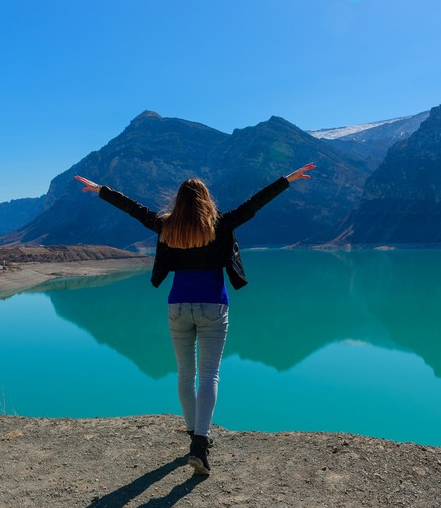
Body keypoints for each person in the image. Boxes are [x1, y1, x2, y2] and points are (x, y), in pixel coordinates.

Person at [76, 162, 315, 475]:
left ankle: (193, 435)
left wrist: (100, 191)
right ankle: (200, 444)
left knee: (184, 374)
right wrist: (287, 180)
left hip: (177, 307)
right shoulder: (221, 224)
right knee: (209, 375)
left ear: (178, 201)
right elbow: (253, 204)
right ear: (205, 199)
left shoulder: (167, 226)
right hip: (214, 307)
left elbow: (134, 209)